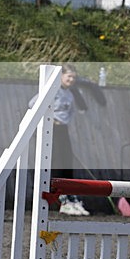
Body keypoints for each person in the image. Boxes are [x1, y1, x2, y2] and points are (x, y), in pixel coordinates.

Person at [29, 64, 89, 216]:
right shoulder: (53, 90)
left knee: (67, 163)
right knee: (56, 163)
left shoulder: (70, 93)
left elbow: (75, 110)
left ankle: (70, 198)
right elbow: (32, 103)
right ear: (61, 76)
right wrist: (48, 119)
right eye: (69, 76)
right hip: (51, 129)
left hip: (63, 129)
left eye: (74, 77)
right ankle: (58, 199)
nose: (71, 79)